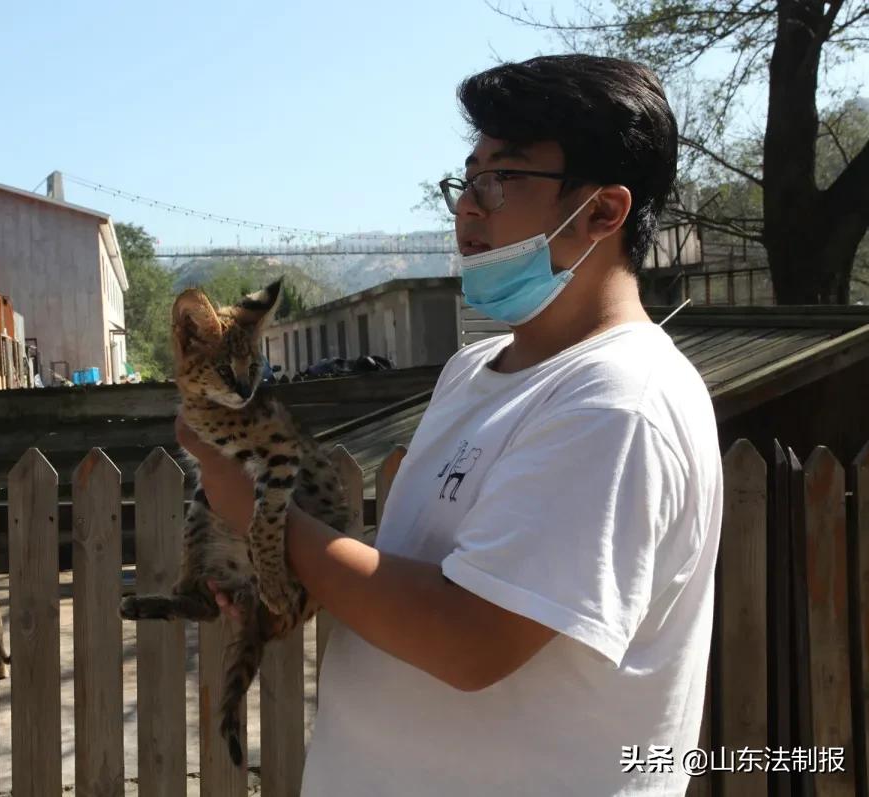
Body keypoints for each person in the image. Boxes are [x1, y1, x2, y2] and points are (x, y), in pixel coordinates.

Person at [180, 54, 723, 796]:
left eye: (503, 178)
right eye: (466, 180)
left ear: (601, 212)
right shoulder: (474, 373)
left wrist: (261, 518)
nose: (468, 207)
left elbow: (468, 639)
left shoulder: (619, 401)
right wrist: (278, 585)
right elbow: (412, 582)